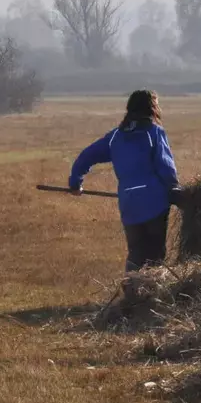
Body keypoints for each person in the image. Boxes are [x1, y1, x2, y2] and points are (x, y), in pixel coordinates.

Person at [69, 90, 181, 273]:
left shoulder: (116, 136)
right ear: (151, 108)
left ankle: (131, 286)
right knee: (155, 253)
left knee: (136, 252)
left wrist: (75, 182)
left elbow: (86, 156)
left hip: (129, 203)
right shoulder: (154, 132)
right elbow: (165, 166)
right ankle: (151, 287)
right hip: (155, 202)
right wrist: (174, 188)